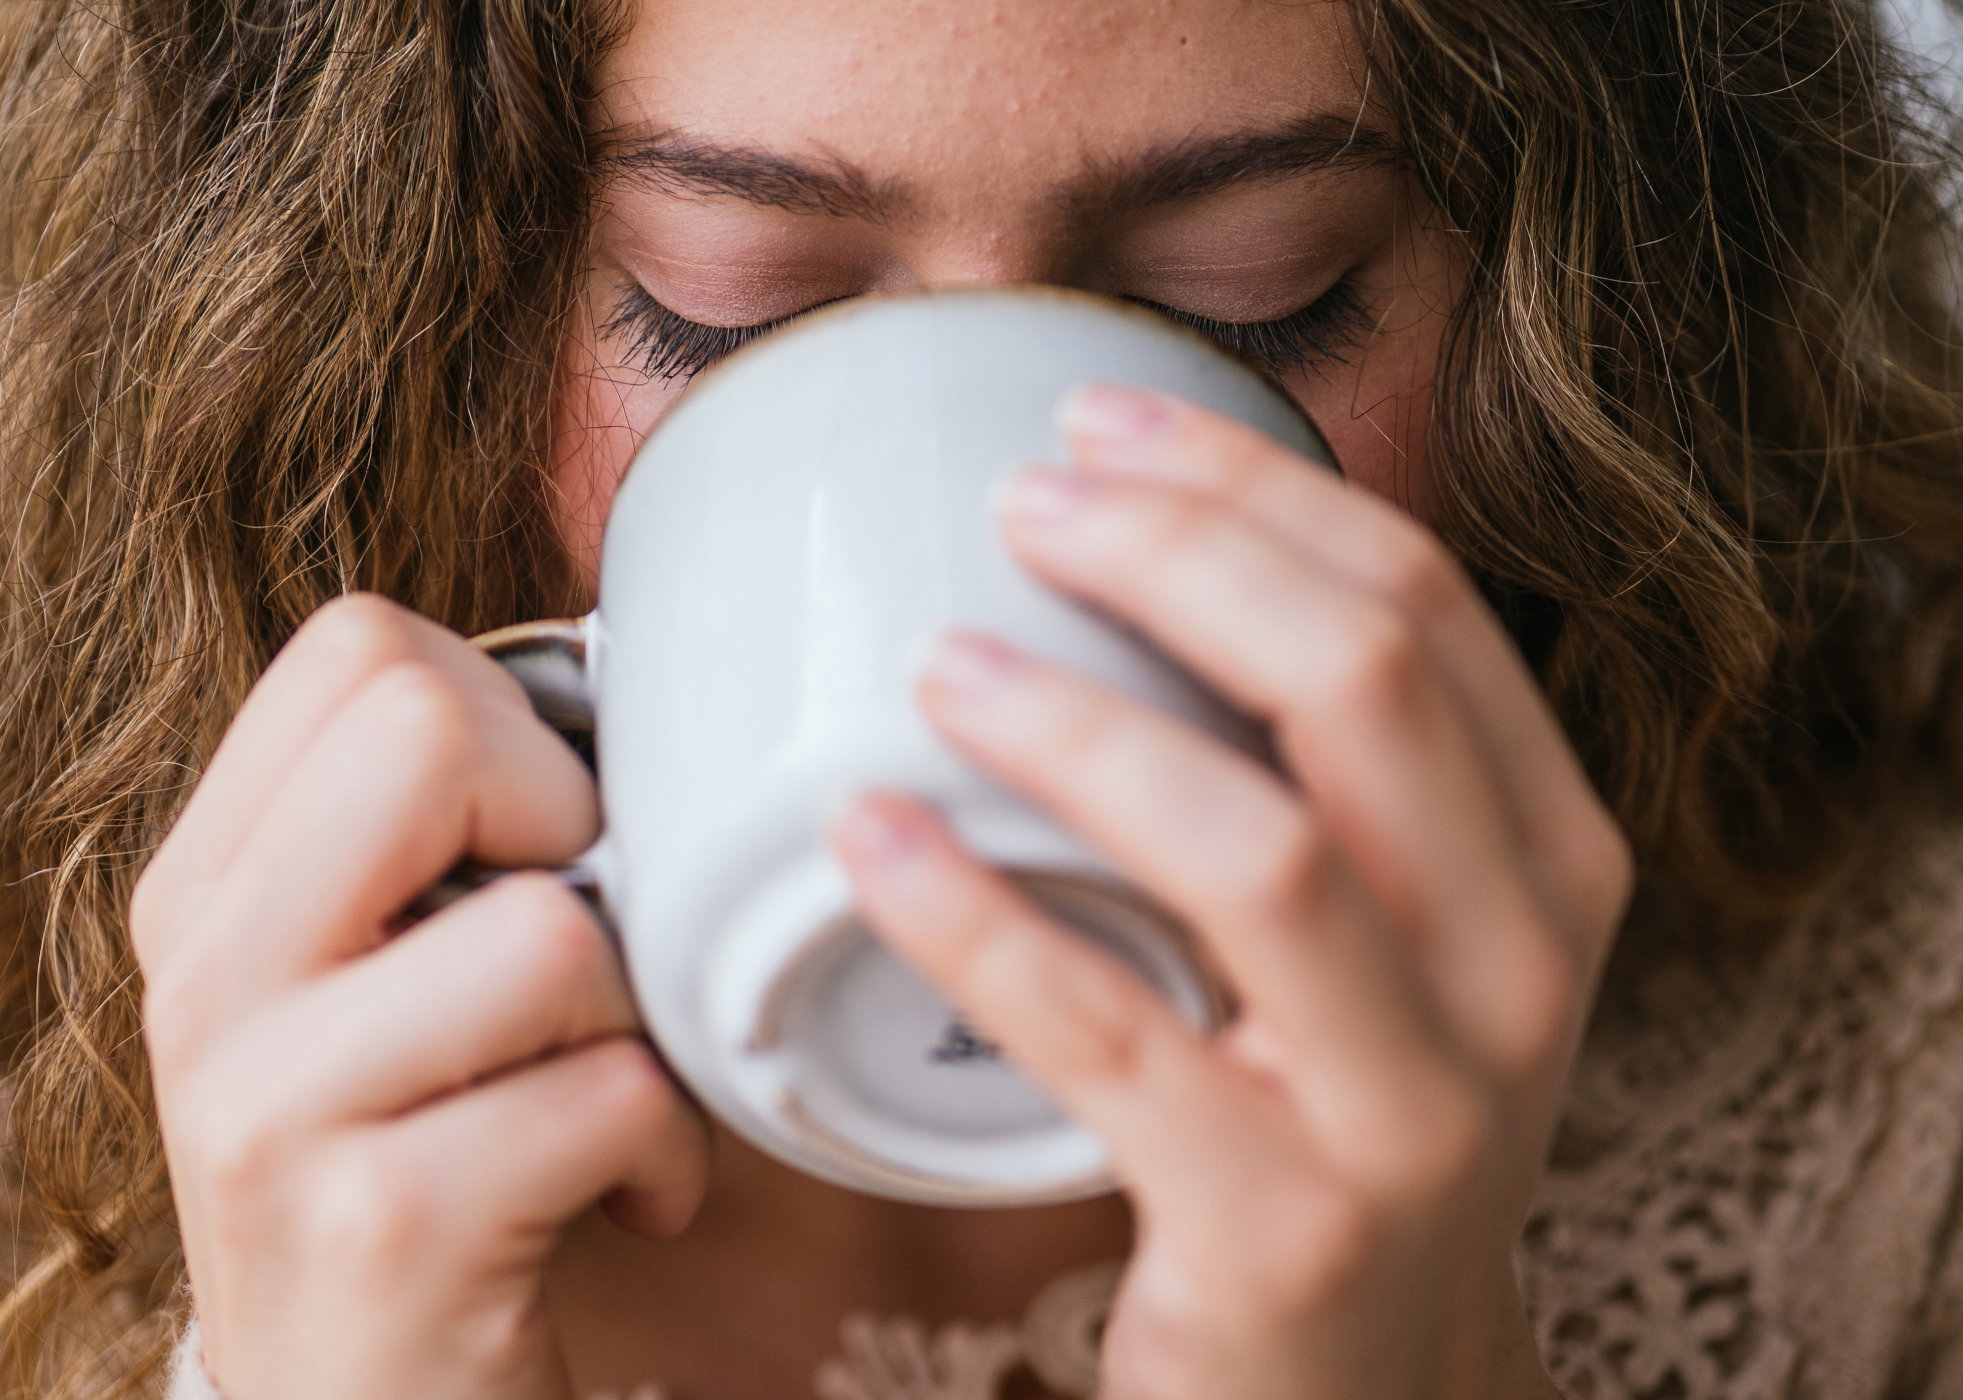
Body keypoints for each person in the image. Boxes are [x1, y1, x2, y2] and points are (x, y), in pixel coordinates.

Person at [4, 0, 1963, 1396]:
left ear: (1575, 301)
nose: (1010, 558)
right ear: (409, 293)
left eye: (1252, 291)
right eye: (726, 302)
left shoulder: (1897, 1106)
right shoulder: (55, 1089)